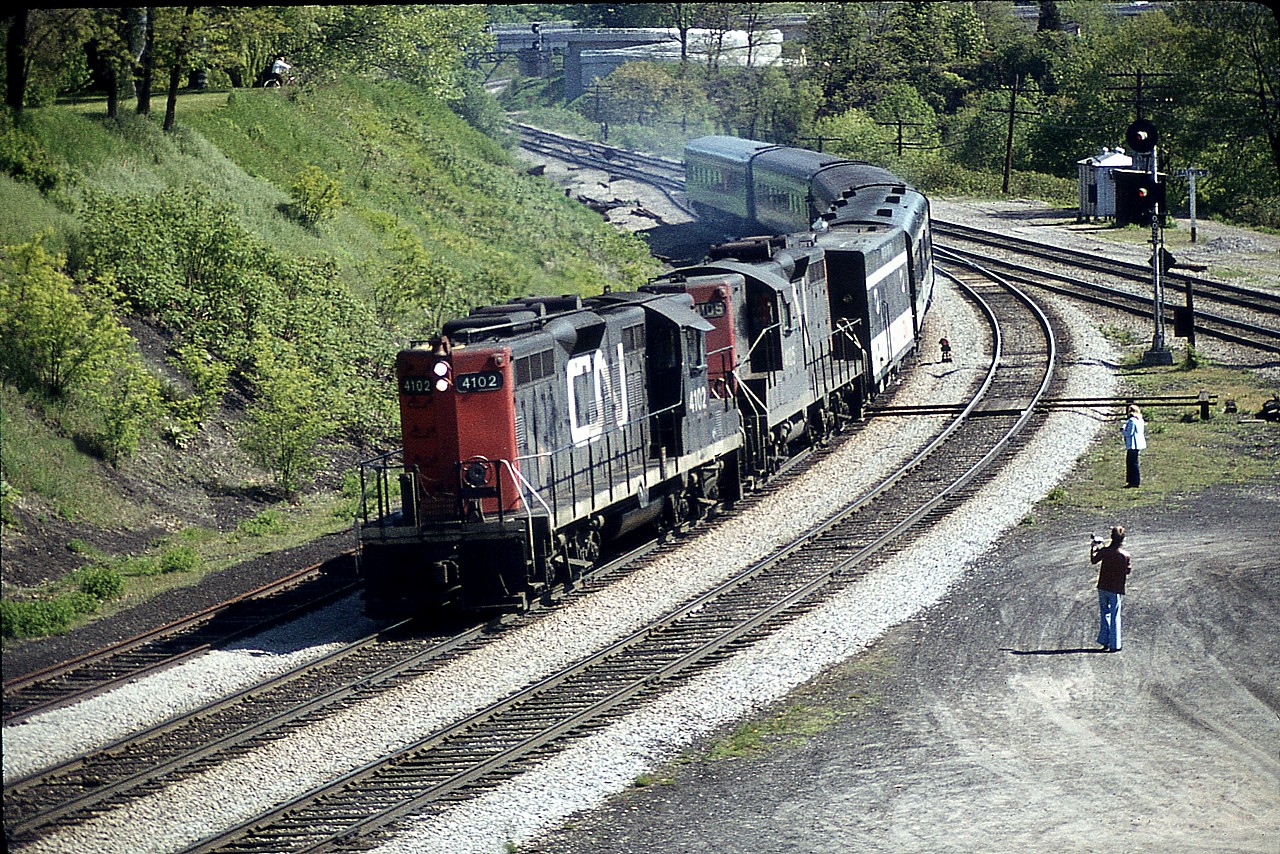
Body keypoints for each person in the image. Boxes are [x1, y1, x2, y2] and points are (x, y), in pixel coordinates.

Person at [1090, 526, 1132, 652]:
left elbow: (1094, 560)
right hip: (1116, 588)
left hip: (1103, 586)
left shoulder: (1105, 551)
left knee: (1105, 613)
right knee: (1115, 615)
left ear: (1111, 537)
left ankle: (1104, 640)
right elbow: (1128, 570)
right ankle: (1115, 644)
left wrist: (1093, 547)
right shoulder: (1125, 555)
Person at [1123, 404, 1146, 487]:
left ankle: (1133, 481)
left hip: (1133, 444)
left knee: (1131, 463)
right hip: (1139, 443)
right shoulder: (1140, 420)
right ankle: (1134, 481)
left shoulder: (1132, 420)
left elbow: (1129, 433)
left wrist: (1123, 431)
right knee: (1134, 462)